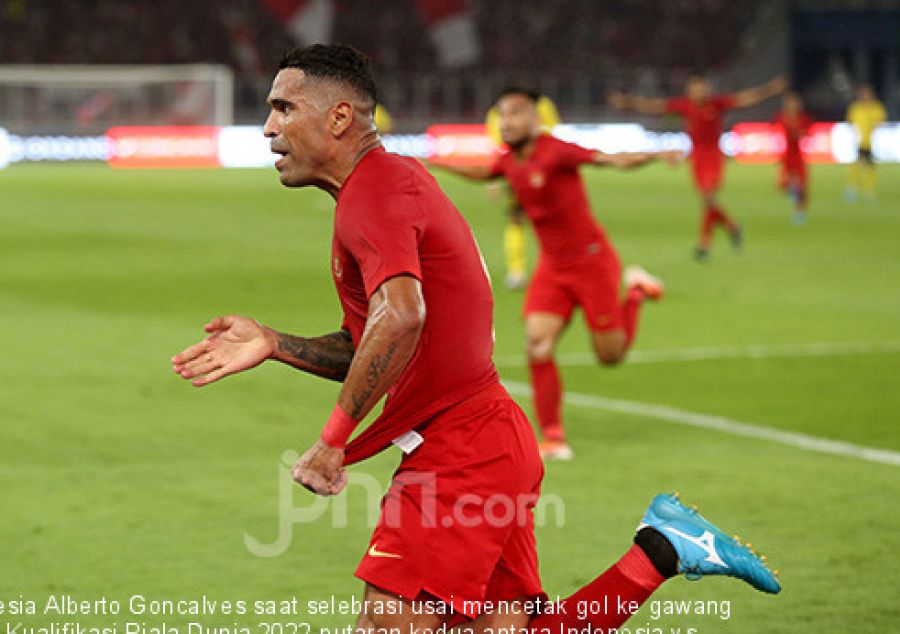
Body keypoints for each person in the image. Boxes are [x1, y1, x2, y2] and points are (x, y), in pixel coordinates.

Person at [172, 44, 779, 631]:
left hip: (462, 450)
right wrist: (275, 342)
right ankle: (661, 550)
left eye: (283, 109)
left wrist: (333, 440)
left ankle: (665, 545)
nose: (267, 128)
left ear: (338, 118)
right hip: (483, 439)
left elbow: (401, 316)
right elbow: (374, 344)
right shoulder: (379, 190)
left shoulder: (375, 192)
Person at [430, 87, 677, 461]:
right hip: (553, 267)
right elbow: (482, 171)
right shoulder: (509, 160)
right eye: (502, 114)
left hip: (592, 263)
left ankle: (637, 291)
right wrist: (430, 163)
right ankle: (554, 436)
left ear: (534, 118)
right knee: (537, 344)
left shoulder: (556, 150)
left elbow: (612, 159)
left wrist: (657, 153)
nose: (507, 121)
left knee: (611, 356)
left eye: (515, 113)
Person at [610, 74, 787, 260]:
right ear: (689, 91)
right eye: (694, 89)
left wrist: (770, 89)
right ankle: (731, 226)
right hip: (696, 158)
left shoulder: (716, 104)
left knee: (708, 197)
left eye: (701, 88)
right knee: (707, 200)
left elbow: (744, 98)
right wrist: (628, 102)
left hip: (713, 157)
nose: (698, 92)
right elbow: (656, 106)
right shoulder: (685, 106)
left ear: (707, 90)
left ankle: (705, 244)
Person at [485, 94, 560, 290]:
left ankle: (519, 271)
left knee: (522, 220)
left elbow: (498, 141)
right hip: (524, 169)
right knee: (521, 219)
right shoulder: (543, 105)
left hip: (526, 168)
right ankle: (520, 271)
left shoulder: (501, 109)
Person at [773, 91, 814, 225]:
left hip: (798, 156)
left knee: (802, 186)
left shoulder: (803, 119)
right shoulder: (782, 118)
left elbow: (808, 133)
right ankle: (793, 192)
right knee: (782, 185)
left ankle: (799, 212)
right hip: (786, 156)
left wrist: (803, 135)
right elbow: (776, 131)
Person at [845, 83, 887, 202]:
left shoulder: (876, 107)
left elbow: (881, 120)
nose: (865, 96)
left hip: (871, 142)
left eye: (867, 94)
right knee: (856, 165)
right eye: (863, 94)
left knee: (869, 167)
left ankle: (869, 190)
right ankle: (853, 188)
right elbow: (850, 120)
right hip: (859, 141)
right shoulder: (856, 107)